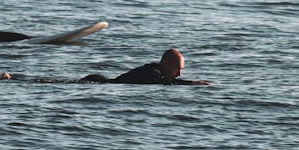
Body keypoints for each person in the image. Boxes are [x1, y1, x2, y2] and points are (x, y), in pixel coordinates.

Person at [80, 49, 209, 85]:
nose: (179, 74)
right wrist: (191, 83)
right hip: (97, 82)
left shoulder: (156, 71)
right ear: (166, 65)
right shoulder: (152, 72)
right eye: (177, 69)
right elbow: (165, 82)